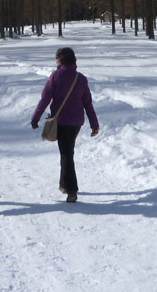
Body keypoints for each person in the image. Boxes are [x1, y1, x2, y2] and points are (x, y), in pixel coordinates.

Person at [30, 47, 99, 203]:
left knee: (66, 154)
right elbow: (88, 103)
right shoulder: (80, 78)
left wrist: (35, 118)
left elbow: (45, 99)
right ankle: (64, 184)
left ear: (60, 60)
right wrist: (94, 124)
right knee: (67, 151)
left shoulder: (56, 76)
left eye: (56, 59)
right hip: (76, 123)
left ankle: (72, 190)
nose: (55, 62)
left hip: (61, 121)